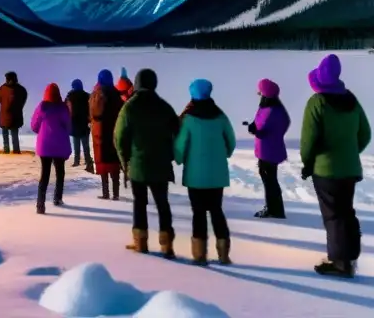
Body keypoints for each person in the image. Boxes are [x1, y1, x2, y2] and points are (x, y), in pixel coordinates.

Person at [300, 54, 371, 278]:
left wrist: (307, 162)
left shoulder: (317, 102)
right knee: (346, 212)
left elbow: (308, 139)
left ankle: (341, 264)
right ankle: (349, 257)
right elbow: (365, 134)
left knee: (333, 215)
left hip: (325, 169)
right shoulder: (351, 100)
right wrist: (349, 152)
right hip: (349, 168)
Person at [114, 68, 180, 258]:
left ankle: (141, 243)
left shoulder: (129, 107)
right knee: (162, 203)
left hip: (138, 165)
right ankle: (167, 245)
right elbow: (177, 132)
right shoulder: (164, 107)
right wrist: (171, 153)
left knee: (139, 203)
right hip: (161, 164)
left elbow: (119, 137)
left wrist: (124, 160)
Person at [175, 79, 236, 266]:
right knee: (217, 211)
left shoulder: (188, 119)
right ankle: (224, 254)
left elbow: (180, 146)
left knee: (199, 213)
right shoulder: (221, 116)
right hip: (217, 176)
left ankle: (200, 255)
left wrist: (179, 159)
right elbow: (231, 143)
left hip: (195, 176)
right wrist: (222, 154)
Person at [247, 78, 290, 219]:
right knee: (269, 180)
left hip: (269, 151)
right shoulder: (270, 108)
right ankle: (273, 208)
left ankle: (274, 210)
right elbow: (261, 123)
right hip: (267, 149)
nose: (258, 94)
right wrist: (254, 126)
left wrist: (257, 131)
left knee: (270, 181)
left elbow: (270, 129)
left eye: (260, 92)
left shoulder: (273, 111)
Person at [31, 83, 72, 214]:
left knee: (45, 175)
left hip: (45, 146)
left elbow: (34, 125)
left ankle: (40, 205)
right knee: (60, 173)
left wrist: (43, 132)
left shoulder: (42, 107)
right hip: (59, 145)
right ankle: (57, 198)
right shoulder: (63, 108)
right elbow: (68, 125)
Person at [90, 68, 123, 200]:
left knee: (103, 162)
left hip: (99, 133)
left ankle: (105, 192)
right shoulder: (116, 95)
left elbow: (92, 113)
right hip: (113, 132)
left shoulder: (96, 96)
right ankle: (116, 193)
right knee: (114, 162)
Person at [0, 71, 28, 154]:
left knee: (5, 135)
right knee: (15, 135)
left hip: (5, 117)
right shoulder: (21, 89)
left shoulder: (3, 88)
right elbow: (24, 98)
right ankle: (16, 150)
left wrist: (3, 99)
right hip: (16, 116)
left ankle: (6, 150)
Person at [65, 79, 94, 171]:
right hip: (85, 124)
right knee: (86, 145)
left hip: (74, 124)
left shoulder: (70, 97)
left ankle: (76, 161)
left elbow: (66, 109)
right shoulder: (87, 96)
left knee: (76, 144)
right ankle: (87, 159)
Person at [116, 67, 135, 187]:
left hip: (122, 119)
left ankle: (125, 173)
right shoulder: (129, 83)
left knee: (123, 151)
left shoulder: (117, 85)